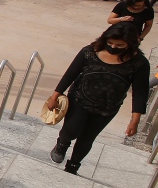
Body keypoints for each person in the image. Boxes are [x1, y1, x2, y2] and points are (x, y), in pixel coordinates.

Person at [47, 22, 150, 174]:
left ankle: (73, 165)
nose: (113, 47)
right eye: (110, 43)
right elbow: (71, 74)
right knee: (71, 129)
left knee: (87, 138)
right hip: (79, 99)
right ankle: (62, 144)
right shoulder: (89, 52)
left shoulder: (139, 64)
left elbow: (140, 92)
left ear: (130, 44)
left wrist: (135, 120)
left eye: (119, 45)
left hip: (107, 108)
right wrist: (55, 95)